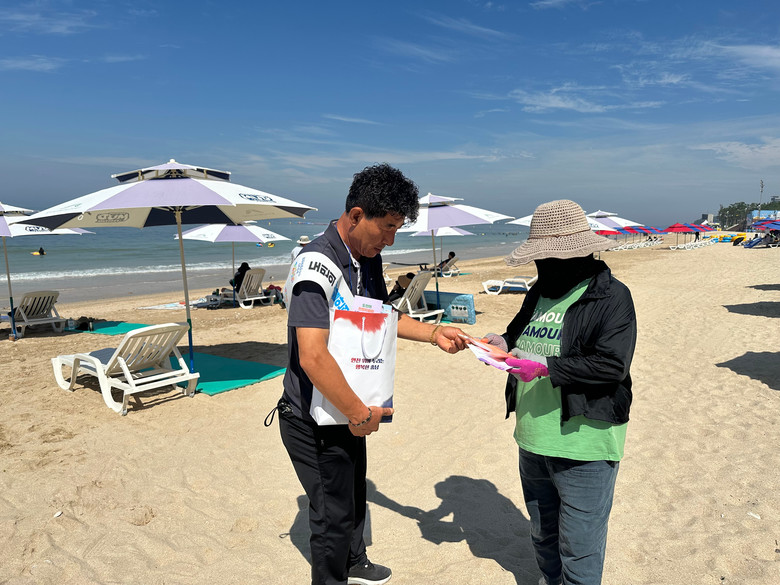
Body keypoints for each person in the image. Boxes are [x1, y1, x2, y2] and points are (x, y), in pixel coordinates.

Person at [272, 163, 467, 585]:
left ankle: (355, 560)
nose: (390, 239)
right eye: (387, 227)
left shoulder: (367, 258)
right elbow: (312, 356)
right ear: (357, 215)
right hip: (312, 416)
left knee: (354, 494)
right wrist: (358, 413)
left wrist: (434, 333)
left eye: (398, 228)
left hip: (348, 407)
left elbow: (384, 317)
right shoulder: (315, 265)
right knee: (332, 515)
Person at [480, 199, 637, 585]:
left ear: (580, 252)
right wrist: (499, 343)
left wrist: (546, 368)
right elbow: (516, 333)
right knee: (543, 536)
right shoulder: (539, 291)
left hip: (585, 446)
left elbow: (612, 365)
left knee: (579, 551)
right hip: (532, 440)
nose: (545, 265)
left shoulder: (612, 296)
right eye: (541, 258)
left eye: (552, 257)